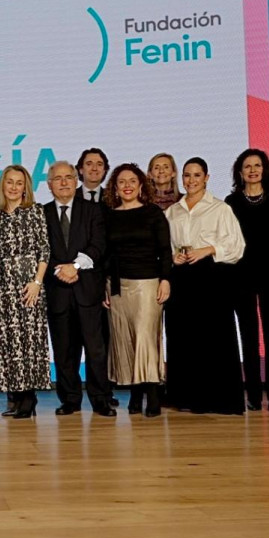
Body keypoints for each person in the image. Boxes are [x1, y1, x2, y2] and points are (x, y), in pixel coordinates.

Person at [165, 157, 246, 415]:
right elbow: (164, 246)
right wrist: (172, 257)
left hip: (211, 277)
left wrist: (208, 249)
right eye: (187, 176)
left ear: (207, 178)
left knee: (213, 338)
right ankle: (185, 396)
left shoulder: (220, 208)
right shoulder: (172, 211)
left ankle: (216, 399)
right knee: (182, 337)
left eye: (196, 175)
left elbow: (237, 246)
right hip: (181, 279)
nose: (191, 181)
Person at [225, 149, 269, 412]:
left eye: (258, 165)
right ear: (240, 172)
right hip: (241, 277)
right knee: (249, 337)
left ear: (265, 170)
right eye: (247, 166)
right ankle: (253, 395)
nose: (253, 170)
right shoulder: (231, 202)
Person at [43, 161, 114, 416]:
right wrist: (60, 270)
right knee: (64, 351)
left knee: (95, 349)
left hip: (87, 290)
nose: (63, 182)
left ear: (76, 181)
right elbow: (40, 252)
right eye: (57, 178)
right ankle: (70, 399)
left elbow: (98, 245)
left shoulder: (93, 210)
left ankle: (100, 399)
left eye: (68, 177)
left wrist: (74, 266)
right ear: (49, 185)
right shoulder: (42, 213)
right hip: (57, 291)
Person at [103, 164, 172, 417]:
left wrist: (166, 279)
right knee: (126, 340)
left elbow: (165, 250)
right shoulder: (109, 215)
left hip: (148, 284)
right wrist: (104, 285)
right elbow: (105, 255)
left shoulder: (153, 213)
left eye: (132, 181)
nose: (127, 185)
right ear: (115, 188)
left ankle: (152, 393)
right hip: (118, 285)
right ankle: (135, 392)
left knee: (145, 338)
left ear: (141, 185)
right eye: (122, 182)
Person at [0, 165, 50, 419]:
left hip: (30, 283)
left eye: (19, 183)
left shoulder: (35, 211)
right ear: (2, 185)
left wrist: (36, 282)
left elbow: (44, 250)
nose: (14, 187)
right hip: (5, 285)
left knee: (31, 341)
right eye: (9, 182)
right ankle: (15, 397)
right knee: (10, 343)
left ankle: (29, 399)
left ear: (26, 187)